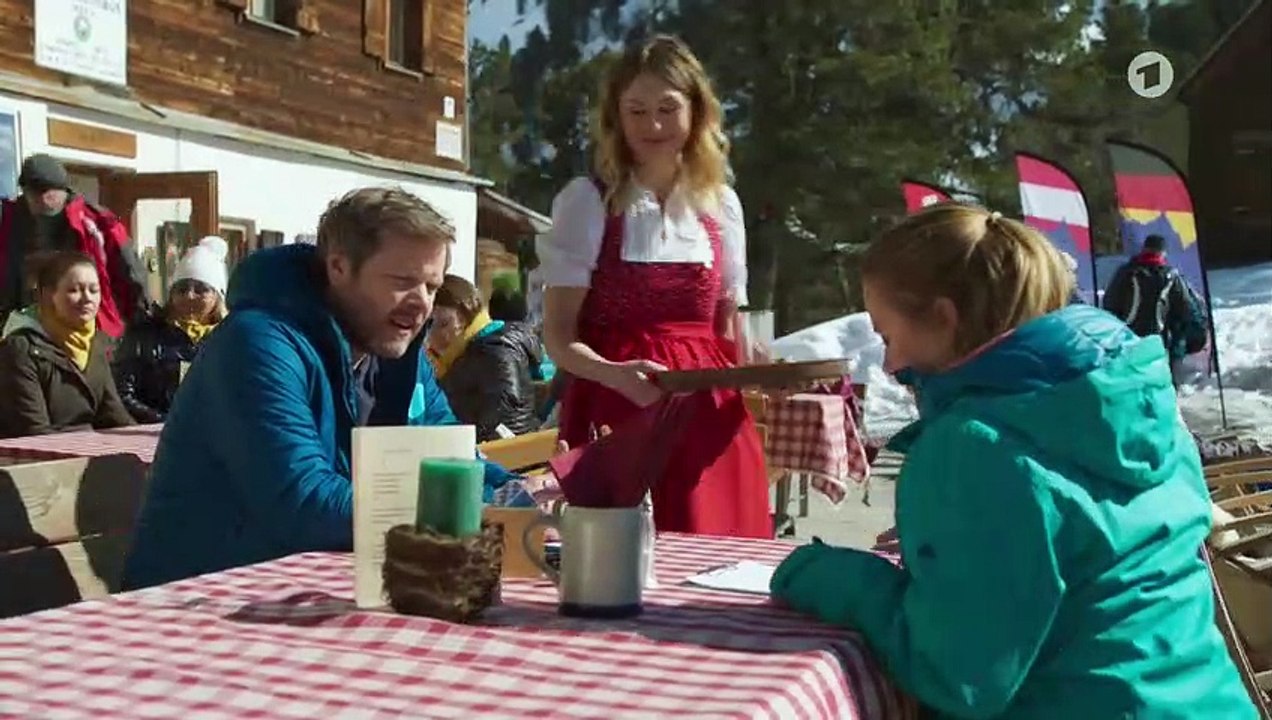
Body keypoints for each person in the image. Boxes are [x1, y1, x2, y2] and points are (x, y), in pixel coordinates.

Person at [769, 205, 1254, 719]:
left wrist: (825, 574)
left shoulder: (976, 445)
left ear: (943, 317)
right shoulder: (1144, 403)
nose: (888, 366)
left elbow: (959, 676)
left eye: (888, 337)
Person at [122, 188, 522, 590]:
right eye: (403, 281)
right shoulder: (258, 344)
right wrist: (473, 510)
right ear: (339, 267)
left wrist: (522, 496)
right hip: (194, 600)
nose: (422, 304)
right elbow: (304, 503)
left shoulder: (398, 353)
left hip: (306, 591)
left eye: (432, 287)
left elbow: (450, 459)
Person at [538, 35, 769, 538]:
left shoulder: (720, 204)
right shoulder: (589, 201)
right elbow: (557, 335)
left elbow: (728, 331)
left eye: (668, 108)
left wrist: (764, 369)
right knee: (620, 562)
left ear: (697, 112)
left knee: (719, 557)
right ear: (616, 117)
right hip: (621, 410)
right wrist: (613, 373)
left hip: (711, 415)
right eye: (636, 111)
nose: (654, 126)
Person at [0, 154, 151, 338]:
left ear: (64, 190)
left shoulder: (96, 223)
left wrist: (139, 325)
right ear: (25, 191)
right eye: (36, 192)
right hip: (26, 326)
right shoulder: (8, 222)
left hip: (89, 328)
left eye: (49, 192)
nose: (44, 199)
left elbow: (131, 274)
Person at [0, 251, 134, 437]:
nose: (87, 298)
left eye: (94, 290)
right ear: (48, 295)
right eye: (74, 290)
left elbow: (114, 415)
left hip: (88, 454)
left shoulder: (97, 344)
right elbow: (32, 430)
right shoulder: (21, 349)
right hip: (40, 459)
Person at [113, 236, 230, 422]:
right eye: (182, 289)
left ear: (217, 297)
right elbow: (123, 393)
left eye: (201, 289)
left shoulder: (230, 338)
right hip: (152, 434)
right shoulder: (145, 334)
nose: (190, 296)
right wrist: (165, 422)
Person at [428, 273, 543, 441]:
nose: (436, 336)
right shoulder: (455, 357)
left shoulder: (494, 352)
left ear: (467, 317)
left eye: (444, 324)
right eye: (429, 326)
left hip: (507, 458)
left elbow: (505, 421)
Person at [1102, 234, 1208, 384]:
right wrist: (1185, 339)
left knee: (1131, 383)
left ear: (1144, 249)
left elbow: (1110, 303)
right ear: (1163, 252)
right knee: (1158, 385)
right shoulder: (1171, 276)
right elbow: (1185, 309)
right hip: (1159, 344)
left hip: (1127, 341)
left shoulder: (1127, 272)